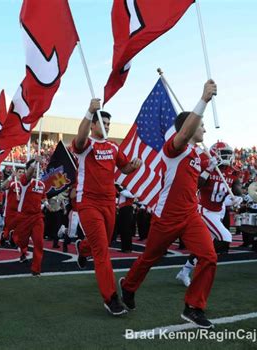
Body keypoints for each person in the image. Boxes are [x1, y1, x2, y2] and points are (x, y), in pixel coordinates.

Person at [120, 80, 218, 328]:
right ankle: (128, 286)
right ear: (188, 126)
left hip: (190, 215)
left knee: (209, 257)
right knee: (149, 258)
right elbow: (184, 134)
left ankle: (193, 307)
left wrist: (211, 171)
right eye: (201, 126)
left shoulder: (196, 155)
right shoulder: (174, 148)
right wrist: (203, 100)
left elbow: (191, 185)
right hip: (167, 217)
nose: (204, 130)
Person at [72, 98, 141, 316]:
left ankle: (82, 249)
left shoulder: (113, 147)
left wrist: (135, 166)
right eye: (103, 123)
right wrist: (88, 110)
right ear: (93, 124)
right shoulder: (86, 145)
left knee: (100, 243)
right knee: (102, 250)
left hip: (109, 203)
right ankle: (111, 298)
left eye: (109, 124)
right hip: (88, 203)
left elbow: (126, 168)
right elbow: (79, 140)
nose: (107, 127)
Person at [176, 141, 242, 287]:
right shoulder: (207, 166)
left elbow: (236, 190)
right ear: (215, 154)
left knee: (208, 245)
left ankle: (185, 271)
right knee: (226, 237)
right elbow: (196, 186)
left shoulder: (232, 171)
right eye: (224, 153)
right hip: (204, 210)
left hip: (218, 211)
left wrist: (238, 198)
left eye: (229, 153)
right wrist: (208, 170)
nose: (228, 156)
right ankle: (203, 263)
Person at [12, 157, 46, 276]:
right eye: (34, 166)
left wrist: (46, 205)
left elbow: (43, 198)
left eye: (38, 166)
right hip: (24, 216)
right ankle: (19, 244)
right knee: (22, 240)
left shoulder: (41, 184)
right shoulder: (24, 181)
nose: (36, 169)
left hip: (37, 217)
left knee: (39, 242)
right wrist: (35, 162)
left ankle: (36, 269)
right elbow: (29, 174)